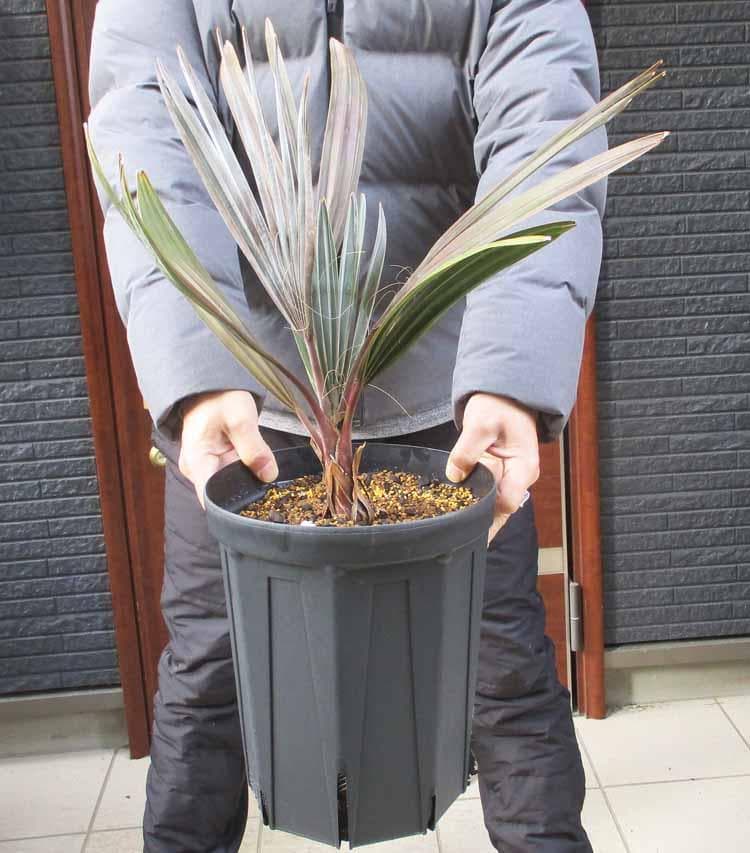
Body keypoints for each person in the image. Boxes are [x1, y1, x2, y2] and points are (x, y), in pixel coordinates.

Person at [88, 1, 606, 851]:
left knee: (505, 676)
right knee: (207, 683)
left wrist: (511, 371)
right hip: (246, 407)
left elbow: (543, 118)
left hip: (450, 402)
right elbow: (144, 129)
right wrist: (198, 372)